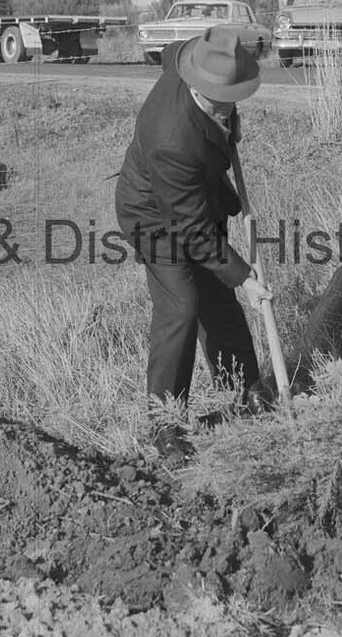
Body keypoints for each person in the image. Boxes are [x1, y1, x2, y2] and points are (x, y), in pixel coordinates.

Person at [115, 25, 273, 464]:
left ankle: (246, 389)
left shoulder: (190, 58)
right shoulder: (171, 138)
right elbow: (194, 232)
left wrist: (227, 121)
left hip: (195, 197)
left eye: (233, 100)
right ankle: (166, 422)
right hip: (153, 214)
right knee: (181, 304)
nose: (229, 110)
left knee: (216, 297)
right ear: (197, 89)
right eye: (221, 105)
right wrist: (244, 276)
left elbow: (170, 52)